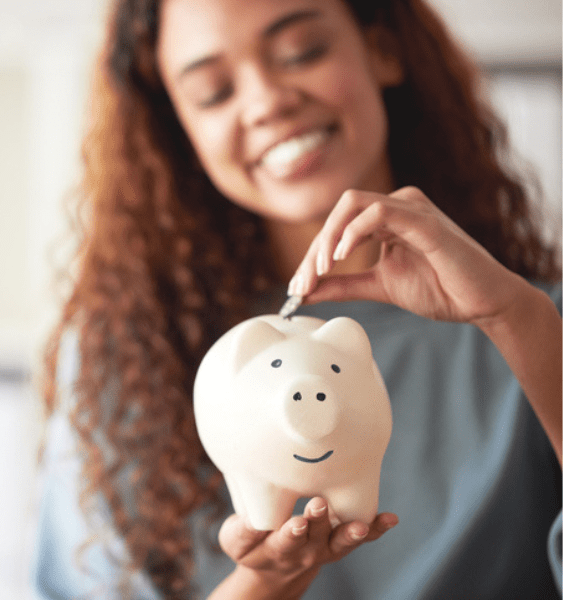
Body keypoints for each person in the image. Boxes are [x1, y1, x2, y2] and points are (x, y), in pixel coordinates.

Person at [30, 0, 562, 597]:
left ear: (381, 50)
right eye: (212, 91)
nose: (266, 102)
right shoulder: (123, 362)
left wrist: (519, 319)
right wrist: (263, 585)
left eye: (302, 52)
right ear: (179, 126)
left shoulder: (537, 328)